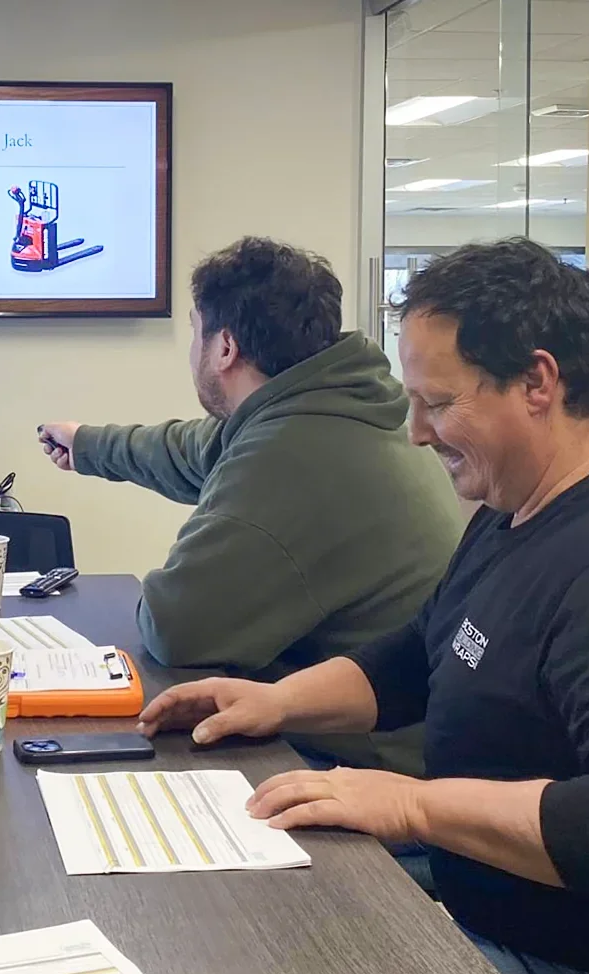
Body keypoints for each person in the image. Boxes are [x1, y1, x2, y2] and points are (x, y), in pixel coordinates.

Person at [138, 237, 589, 974]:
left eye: (440, 403)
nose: (417, 432)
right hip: (527, 930)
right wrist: (277, 701)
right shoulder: (519, 503)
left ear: (539, 382)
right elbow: (433, 647)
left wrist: (414, 805)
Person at [40, 236, 462, 777]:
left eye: (194, 330)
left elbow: (175, 627)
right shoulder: (330, 407)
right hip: (383, 742)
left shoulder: (293, 456)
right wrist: (90, 445)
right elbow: (195, 449)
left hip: (366, 775)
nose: (191, 348)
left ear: (224, 348)